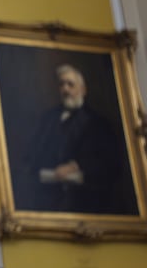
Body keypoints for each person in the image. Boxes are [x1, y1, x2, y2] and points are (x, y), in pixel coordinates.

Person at [16, 63, 129, 214]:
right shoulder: (48, 119)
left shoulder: (97, 123)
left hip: (86, 200)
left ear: (83, 90)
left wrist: (76, 165)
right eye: (62, 84)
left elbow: (109, 161)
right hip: (50, 198)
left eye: (71, 84)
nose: (66, 89)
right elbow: (33, 155)